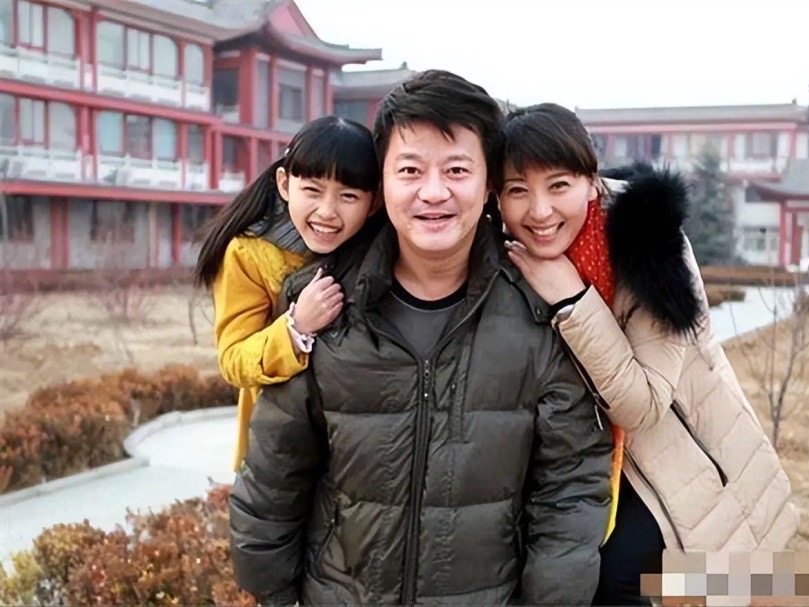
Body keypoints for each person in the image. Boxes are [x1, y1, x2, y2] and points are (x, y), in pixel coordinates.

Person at [228, 71, 613, 606]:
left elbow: (568, 488)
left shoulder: (541, 312)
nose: (434, 192)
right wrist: (271, 590)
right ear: (382, 184)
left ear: (488, 184)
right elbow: (276, 468)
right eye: (410, 170)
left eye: (457, 170)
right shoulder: (323, 305)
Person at [494, 103, 799, 604]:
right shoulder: (507, 250)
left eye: (558, 185)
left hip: (684, 455)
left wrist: (573, 299)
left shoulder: (649, 241)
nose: (540, 211)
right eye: (517, 191)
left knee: (621, 576)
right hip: (588, 456)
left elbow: (644, 404)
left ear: (591, 182)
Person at [194, 116, 381, 471]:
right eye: (312, 190)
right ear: (284, 184)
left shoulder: (381, 249)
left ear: (373, 203)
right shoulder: (250, 253)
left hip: (359, 449)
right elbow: (233, 359)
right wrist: (295, 328)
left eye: (348, 196)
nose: (327, 212)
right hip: (279, 450)